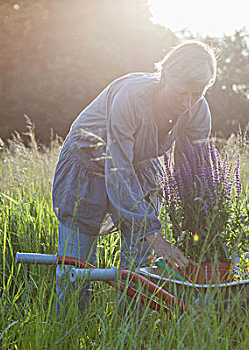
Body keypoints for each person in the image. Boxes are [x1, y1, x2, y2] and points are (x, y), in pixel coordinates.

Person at [52, 40, 217, 313]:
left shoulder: (197, 110)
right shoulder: (131, 97)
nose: (187, 103)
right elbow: (118, 170)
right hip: (87, 167)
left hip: (141, 167)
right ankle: (67, 328)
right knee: (75, 266)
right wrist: (153, 233)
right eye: (181, 92)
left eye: (197, 94)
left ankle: (127, 332)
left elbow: (197, 171)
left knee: (140, 268)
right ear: (164, 78)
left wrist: (201, 222)